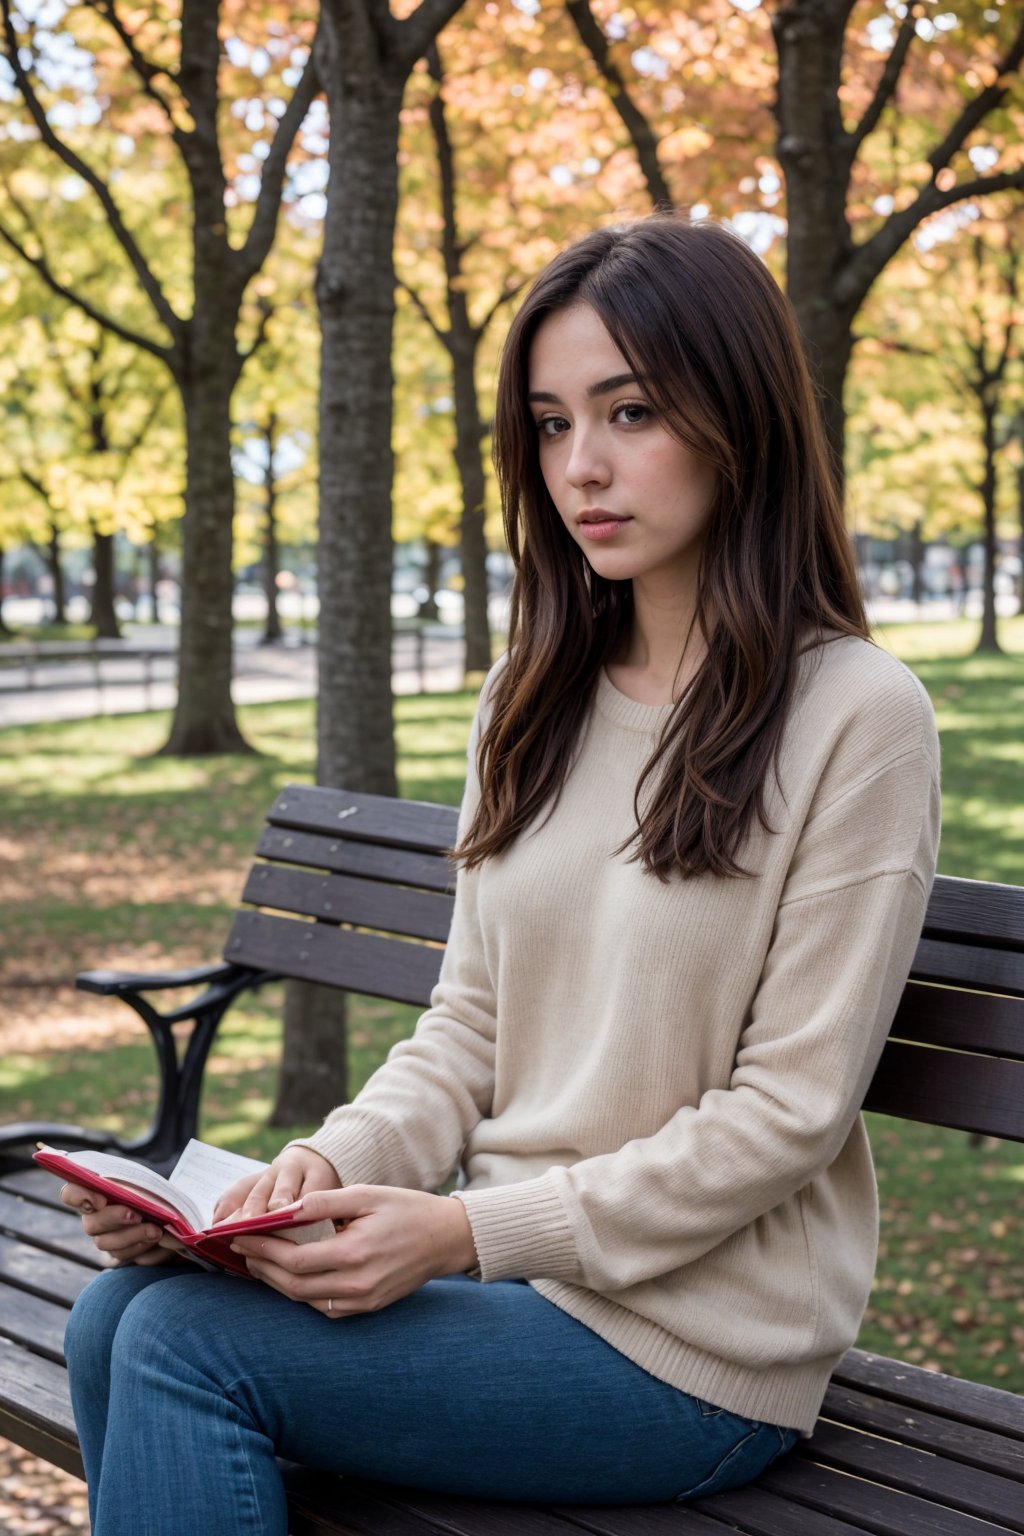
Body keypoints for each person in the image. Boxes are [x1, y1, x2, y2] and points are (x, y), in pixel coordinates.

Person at [61, 214, 940, 1535]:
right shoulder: (530, 697)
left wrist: (465, 1234)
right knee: (114, 1314)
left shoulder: (856, 717)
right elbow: (467, 1031)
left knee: (183, 1349)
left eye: (630, 411)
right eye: (547, 422)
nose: (581, 466)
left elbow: (789, 1113)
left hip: (697, 1347)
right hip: (510, 1281)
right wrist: (302, 1176)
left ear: (741, 420)